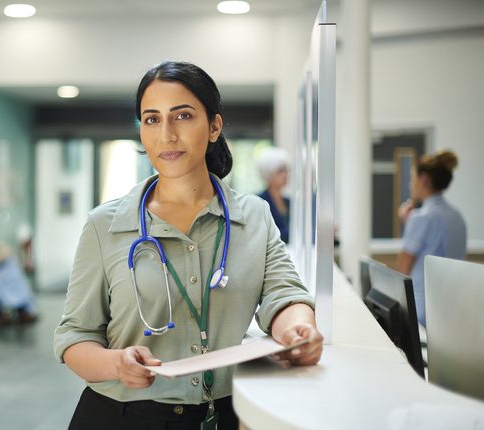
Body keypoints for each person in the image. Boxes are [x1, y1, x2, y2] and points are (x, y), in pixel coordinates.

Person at [53, 61, 323, 430]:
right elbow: (75, 338)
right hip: (121, 417)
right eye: (151, 119)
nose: (166, 134)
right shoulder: (106, 225)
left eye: (182, 115)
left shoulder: (253, 216)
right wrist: (116, 363)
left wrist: (299, 330)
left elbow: (285, 296)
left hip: (223, 415)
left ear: (214, 126)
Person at [397, 150, 466, 326]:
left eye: (413, 178)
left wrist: (410, 223)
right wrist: (410, 223)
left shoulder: (422, 217)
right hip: (454, 308)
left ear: (424, 179)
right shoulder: (457, 216)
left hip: (424, 312)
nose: (411, 183)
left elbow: (403, 271)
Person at [256, 147, 291, 243]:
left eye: (286, 170)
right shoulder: (259, 201)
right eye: (280, 171)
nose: (285, 174)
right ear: (269, 174)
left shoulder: (289, 202)